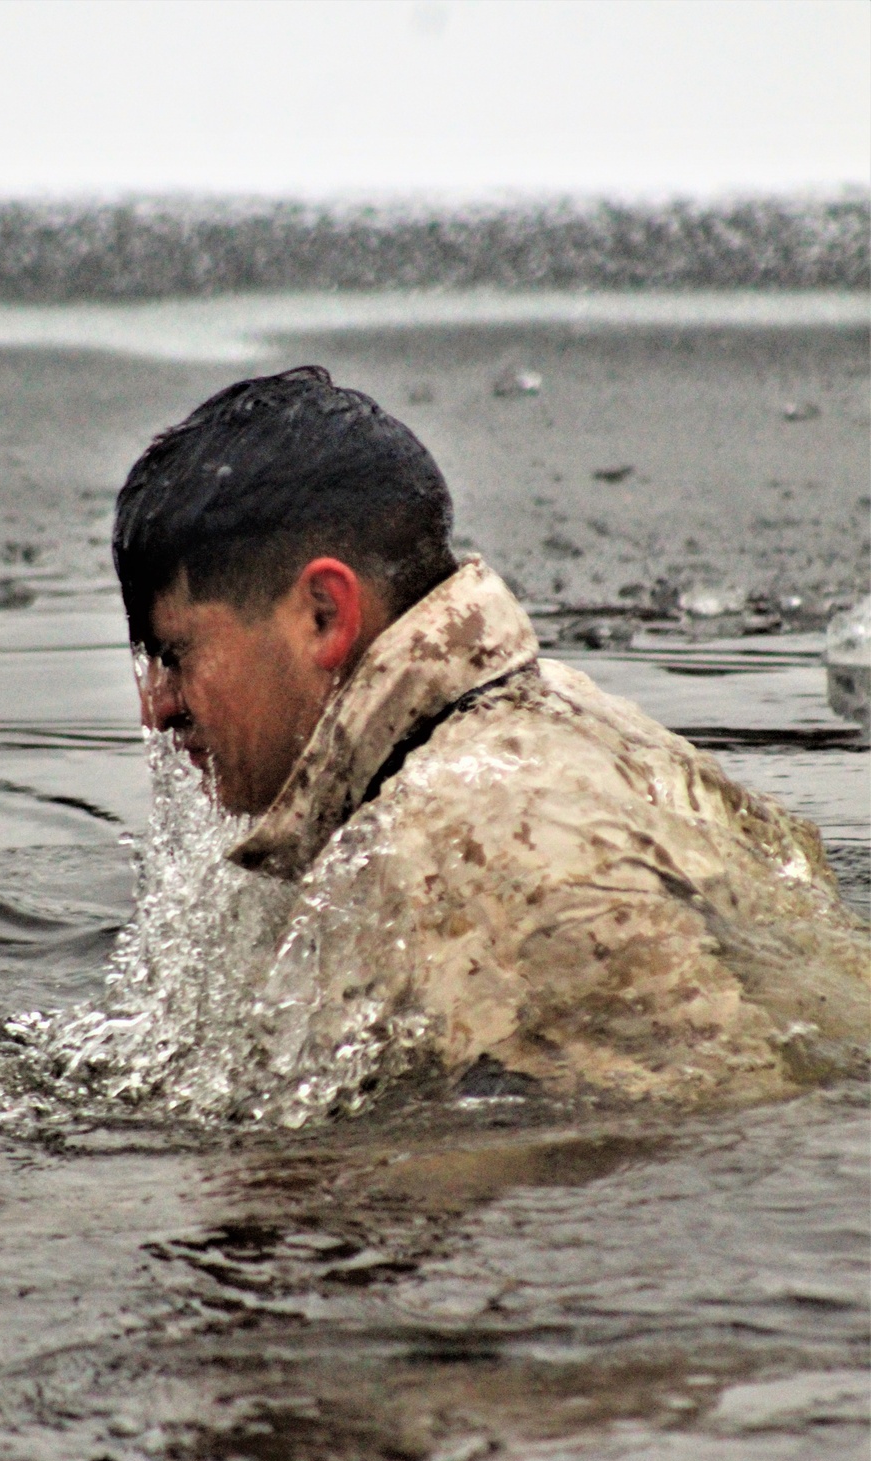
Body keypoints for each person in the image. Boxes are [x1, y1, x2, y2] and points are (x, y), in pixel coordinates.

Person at [114, 365, 867, 1113]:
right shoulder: (571, 721)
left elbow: (702, 1164)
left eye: (176, 654)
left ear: (323, 613)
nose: (156, 707)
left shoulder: (457, 846)